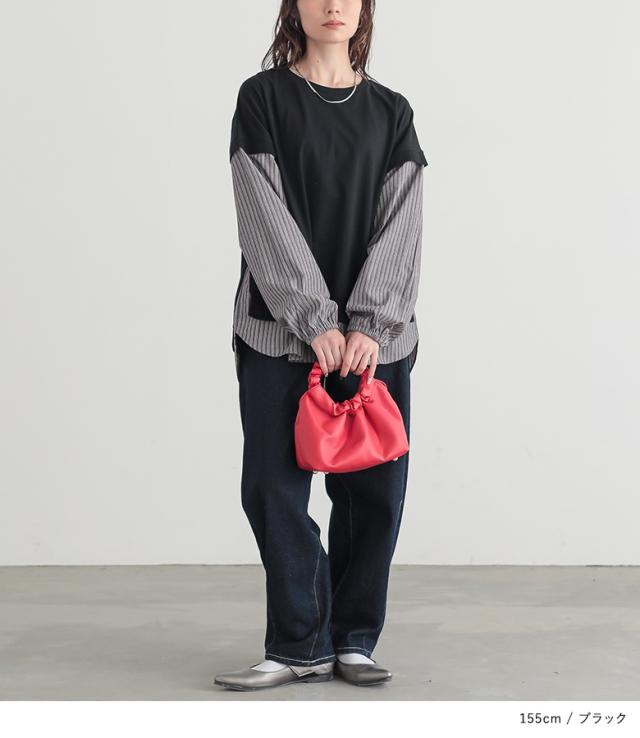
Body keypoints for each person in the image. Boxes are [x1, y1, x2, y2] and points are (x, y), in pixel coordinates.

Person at [215, 0, 428, 691]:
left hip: (374, 343)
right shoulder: (262, 98)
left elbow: (403, 223)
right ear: (293, 6)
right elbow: (262, 214)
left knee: (374, 495)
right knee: (272, 490)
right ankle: (299, 642)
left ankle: (353, 640)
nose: (333, 4)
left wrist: (367, 324)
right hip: (279, 332)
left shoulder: (392, 112)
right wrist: (315, 320)